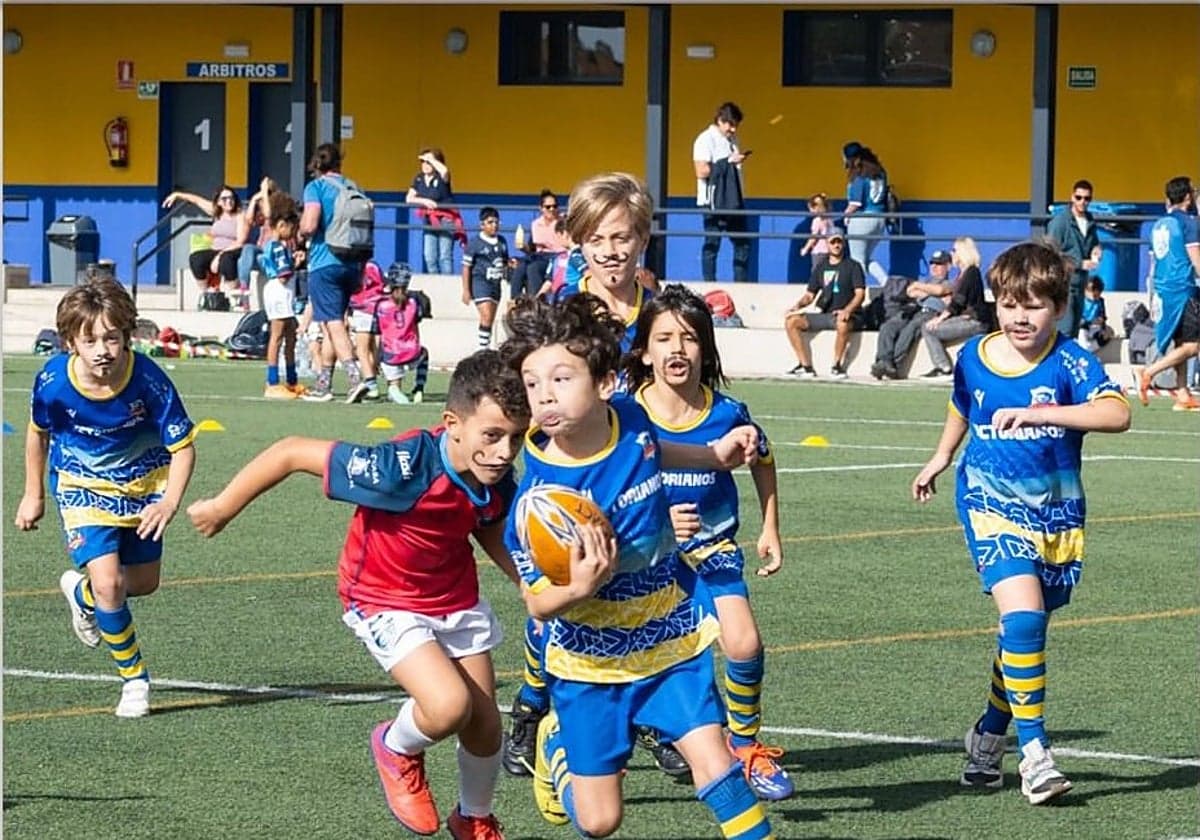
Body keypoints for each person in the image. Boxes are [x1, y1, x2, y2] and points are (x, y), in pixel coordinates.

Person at [187, 350, 529, 840]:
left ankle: (472, 816)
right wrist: (222, 506)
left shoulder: (495, 476)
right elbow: (290, 451)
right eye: (493, 435)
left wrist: (528, 581)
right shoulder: (400, 467)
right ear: (452, 422)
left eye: (516, 437)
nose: (504, 451)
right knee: (449, 707)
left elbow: (489, 524)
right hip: (382, 598)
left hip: (453, 598)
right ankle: (396, 746)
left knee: (484, 723)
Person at [498, 291, 774, 839]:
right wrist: (578, 585)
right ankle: (556, 747)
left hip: (666, 634)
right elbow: (535, 601)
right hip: (589, 660)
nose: (544, 396)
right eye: (533, 385)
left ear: (603, 384)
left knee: (716, 765)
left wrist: (711, 456)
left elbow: (654, 444)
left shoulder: (630, 416)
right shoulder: (542, 501)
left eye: (560, 379)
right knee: (601, 822)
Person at [911, 240, 1130, 806]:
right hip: (988, 501)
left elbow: (1117, 413)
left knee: (1022, 634)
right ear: (996, 304)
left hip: (1056, 512)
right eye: (1009, 304)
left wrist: (1042, 412)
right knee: (1025, 616)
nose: (1019, 317)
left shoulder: (1072, 361)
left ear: (1057, 307)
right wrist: (940, 457)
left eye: (1033, 305)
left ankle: (987, 734)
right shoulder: (975, 355)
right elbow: (964, 404)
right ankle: (1034, 755)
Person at [504, 173, 683, 780]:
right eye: (595, 239)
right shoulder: (563, 309)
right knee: (561, 587)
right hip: (568, 464)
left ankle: (655, 715)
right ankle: (533, 705)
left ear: (643, 239)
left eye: (622, 238)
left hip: (634, 460)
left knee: (650, 580)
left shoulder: (658, 309)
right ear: (576, 242)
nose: (610, 251)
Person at [623, 284, 792, 801]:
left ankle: (745, 748)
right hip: (644, 562)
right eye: (664, 338)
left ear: (707, 348)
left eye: (690, 339)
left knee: (744, 643)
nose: (677, 349)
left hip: (713, 552)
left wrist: (769, 527)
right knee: (635, 663)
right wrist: (654, 519)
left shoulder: (728, 413)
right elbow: (609, 488)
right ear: (644, 351)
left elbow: (762, 456)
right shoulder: (625, 417)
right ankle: (593, 743)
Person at [14, 277, 197, 718]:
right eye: (90, 339)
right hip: (82, 489)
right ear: (70, 342)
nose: (102, 350)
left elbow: (183, 447)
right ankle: (134, 679)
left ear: (127, 336)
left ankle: (83, 596)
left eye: (112, 338)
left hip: (142, 488)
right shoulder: (54, 382)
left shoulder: (149, 380)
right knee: (111, 583)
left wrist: (169, 502)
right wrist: (32, 493)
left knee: (144, 583)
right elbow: (38, 434)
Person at [299, 143, 370, 404]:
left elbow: (310, 223)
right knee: (332, 322)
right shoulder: (354, 187)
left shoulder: (315, 187)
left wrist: (300, 231)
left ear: (317, 164)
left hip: (324, 261)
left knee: (333, 323)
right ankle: (324, 384)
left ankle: (355, 377)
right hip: (352, 262)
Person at [1139, 175, 1200, 411]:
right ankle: (1149, 371)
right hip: (1182, 287)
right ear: (1187, 197)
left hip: (1163, 288)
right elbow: (1196, 259)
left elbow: (1156, 259)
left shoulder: (1159, 223)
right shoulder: (1189, 223)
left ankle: (1183, 393)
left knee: (1180, 342)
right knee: (1193, 346)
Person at [783, 227, 866, 379]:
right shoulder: (821, 266)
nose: (836, 245)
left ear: (844, 243)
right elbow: (810, 295)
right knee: (791, 322)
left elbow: (860, 294)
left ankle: (837, 365)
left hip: (848, 315)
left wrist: (847, 310)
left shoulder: (853, 266)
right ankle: (805, 366)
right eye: (832, 242)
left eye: (839, 242)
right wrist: (797, 306)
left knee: (842, 323)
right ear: (827, 244)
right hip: (826, 315)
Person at [870, 248, 954, 380]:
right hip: (913, 309)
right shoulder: (925, 281)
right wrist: (932, 292)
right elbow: (910, 291)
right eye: (932, 263)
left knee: (910, 330)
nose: (934, 267)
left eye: (939, 264)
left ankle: (893, 364)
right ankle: (883, 361)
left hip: (929, 312)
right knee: (889, 326)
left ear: (948, 266)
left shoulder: (951, 283)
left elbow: (940, 289)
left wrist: (922, 289)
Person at [162, 184, 250, 303]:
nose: (228, 201)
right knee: (196, 258)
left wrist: (219, 256)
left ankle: (236, 297)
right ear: (218, 201)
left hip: (233, 249)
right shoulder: (217, 212)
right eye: (224, 199)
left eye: (231, 198)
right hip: (216, 250)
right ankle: (207, 294)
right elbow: (196, 200)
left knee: (226, 260)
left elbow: (241, 240)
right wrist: (178, 195)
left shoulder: (240, 215)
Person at [693, 102, 750, 282]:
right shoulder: (705, 139)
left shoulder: (733, 141)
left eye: (736, 125)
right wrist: (727, 162)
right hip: (713, 202)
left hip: (734, 200)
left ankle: (741, 284)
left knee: (742, 244)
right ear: (720, 120)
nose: (733, 129)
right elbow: (701, 170)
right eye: (730, 124)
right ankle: (709, 284)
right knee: (712, 244)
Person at [919, 236, 989, 380]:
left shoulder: (971, 272)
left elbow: (959, 301)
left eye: (955, 250)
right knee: (928, 326)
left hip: (976, 322)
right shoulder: (962, 274)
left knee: (928, 328)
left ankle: (943, 367)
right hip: (966, 317)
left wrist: (940, 319)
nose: (952, 254)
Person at [259, 193, 304, 400]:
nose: (294, 233)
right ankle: (272, 381)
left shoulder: (279, 245)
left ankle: (292, 380)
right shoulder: (276, 247)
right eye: (292, 228)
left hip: (284, 292)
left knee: (290, 335)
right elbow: (284, 274)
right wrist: (297, 263)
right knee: (277, 337)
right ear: (281, 224)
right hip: (278, 290)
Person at [1046, 179, 1102, 339]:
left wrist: (1097, 250)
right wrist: (1079, 263)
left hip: (1081, 283)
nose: (1083, 202)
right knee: (1064, 329)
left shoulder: (1089, 221)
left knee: (1074, 331)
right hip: (1064, 284)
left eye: (1087, 198)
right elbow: (1051, 254)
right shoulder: (1060, 223)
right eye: (1079, 197)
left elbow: (1094, 243)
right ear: (1072, 197)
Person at [375, 261, 430, 404]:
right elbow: (417, 322)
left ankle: (394, 389)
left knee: (393, 380)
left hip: (391, 354)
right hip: (412, 351)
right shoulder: (414, 302)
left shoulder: (381, 304)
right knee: (424, 354)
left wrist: (376, 358)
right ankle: (419, 387)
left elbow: (377, 333)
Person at [462, 206, 516, 349]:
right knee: (485, 315)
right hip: (480, 282)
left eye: (496, 222)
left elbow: (504, 261)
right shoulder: (475, 243)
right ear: (482, 225)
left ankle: (485, 346)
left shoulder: (502, 241)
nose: (494, 225)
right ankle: (482, 349)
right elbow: (466, 267)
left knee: (490, 318)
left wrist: (511, 264)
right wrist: (466, 290)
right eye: (490, 222)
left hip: (495, 284)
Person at [406, 147, 462, 275]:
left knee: (444, 256)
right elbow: (409, 198)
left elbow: (445, 171)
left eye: (429, 162)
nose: (425, 165)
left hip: (446, 219)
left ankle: (447, 285)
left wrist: (432, 159)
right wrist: (424, 201)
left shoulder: (442, 176)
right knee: (429, 257)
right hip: (429, 220)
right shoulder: (419, 178)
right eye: (423, 162)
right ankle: (435, 282)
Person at [841, 141, 890, 285]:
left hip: (861, 220)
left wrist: (845, 216)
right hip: (880, 220)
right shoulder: (880, 173)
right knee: (867, 258)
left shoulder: (859, 176)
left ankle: (858, 295)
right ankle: (886, 284)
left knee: (857, 261)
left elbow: (855, 203)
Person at [348, 261, 389, 401]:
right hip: (379, 306)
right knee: (373, 349)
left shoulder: (356, 266)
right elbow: (384, 284)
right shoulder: (375, 265)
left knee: (362, 350)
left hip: (364, 307)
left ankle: (371, 386)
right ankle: (373, 382)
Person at [515, 189, 565, 299]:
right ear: (541, 208)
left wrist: (546, 245)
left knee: (533, 268)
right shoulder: (536, 224)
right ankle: (514, 300)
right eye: (548, 207)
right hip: (540, 256)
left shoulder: (562, 222)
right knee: (520, 267)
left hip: (557, 255)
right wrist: (523, 247)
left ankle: (537, 300)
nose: (552, 209)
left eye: (554, 206)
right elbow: (532, 249)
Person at [1078, 276, 1115, 353]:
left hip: (1094, 327)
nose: (1095, 297)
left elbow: (1102, 316)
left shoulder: (1100, 302)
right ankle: (1088, 350)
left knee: (1109, 332)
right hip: (1083, 328)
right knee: (1083, 340)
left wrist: (1102, 323)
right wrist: (1087, 322)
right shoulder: (1081, 300)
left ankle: (1092, 346)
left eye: (1097, 295)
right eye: (1093, 294)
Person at [798, 192, 832, 261]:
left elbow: (814, 237)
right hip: (829, 250)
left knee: (817, 270)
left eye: (810, 208)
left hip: (819, 251)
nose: (810, 211)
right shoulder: (829, 219)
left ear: (816, 208)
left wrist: (805, 249)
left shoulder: (817, 220)